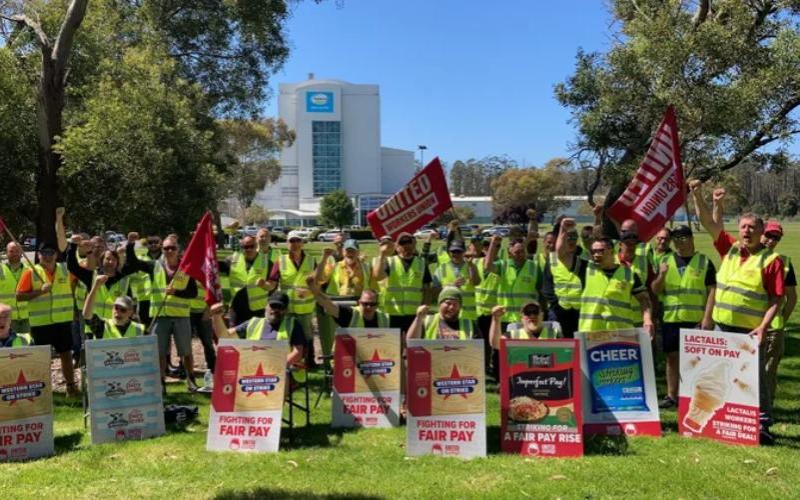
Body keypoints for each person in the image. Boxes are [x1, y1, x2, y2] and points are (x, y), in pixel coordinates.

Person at [689, 179, 783, 444]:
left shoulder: (770, 261)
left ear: (761, 231)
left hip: (750, 331)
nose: (747, 231)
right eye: (743, 227)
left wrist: (763, 327)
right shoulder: (729, 249)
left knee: (756, 379)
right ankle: (725, 420)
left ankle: (763, 425)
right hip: (722, 327)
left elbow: (777, 298)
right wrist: (697, 194)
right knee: (720, 375)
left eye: (752, 227)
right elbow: (708, 222)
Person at [650, 225, 716, 409]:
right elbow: (655, 290)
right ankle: (672, 396)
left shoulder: (704, 261)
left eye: (683, 237)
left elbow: (713, 290)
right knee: (672, 358)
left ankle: (694, 395)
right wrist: (661, 275)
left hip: (695, 319)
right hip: (672, 318)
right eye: (676, 238)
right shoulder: (666, 260)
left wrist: (708, 317)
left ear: (691, 238)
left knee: (696, 360)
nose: (679, 241)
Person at [125, 232, 200, 391]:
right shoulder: (154, 266)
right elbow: (133, 262)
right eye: (166, 248)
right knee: (159, 352)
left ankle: (191, 380)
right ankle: (160, 383)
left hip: (180, 316)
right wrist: (130, 244)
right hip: (160, 316)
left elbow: (193, 293)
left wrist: (176, 292)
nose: (169, 251)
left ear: (178, 249)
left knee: (186, 351)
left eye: (172, 248)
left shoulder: (185, 268)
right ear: (162, 249)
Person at [16, 240, 79, 396]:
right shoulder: (31, 272)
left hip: (62, 321)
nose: (47, 256)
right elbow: (19, 296)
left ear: (56, 255)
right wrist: (40, 292)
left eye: (51, 253)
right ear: (39, 255)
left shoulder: (65, 270)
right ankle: (42, 391)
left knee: (66, 354)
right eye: (44, 253)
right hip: (41, 323)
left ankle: (71, 387)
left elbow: (75, 284)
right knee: (43, 358)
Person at [209, 291, 305, 371]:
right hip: (254, 370)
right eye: (273, 306)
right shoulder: (253, 323)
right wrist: (216, 316)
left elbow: (298, 353)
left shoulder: (293, 324)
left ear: (286, 310)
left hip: (282, 370)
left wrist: (277, 366)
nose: (275, 310)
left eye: (280, 307)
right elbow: (224, 337)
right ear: (266, 306)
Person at [578, 237, 654, 337]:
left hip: (621, 334)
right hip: (591, 334)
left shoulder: (628, 274)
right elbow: (563, 256)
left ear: (611, 251)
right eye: (593, 251)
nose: (596, 254)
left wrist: (647, 319)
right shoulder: (586, 269)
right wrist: (563, 229)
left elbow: (644, 299)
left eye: (600, 251)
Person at [314, 240, 373, 362]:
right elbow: (319, 279)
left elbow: (373, 287)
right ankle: (335, 365)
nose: (350, 254)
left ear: (358, 252)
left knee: (358, 337)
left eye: (353, 251)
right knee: (338, 337)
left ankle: (359, 362)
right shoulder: (334, 266)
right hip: (338, 305)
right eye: (347, 251)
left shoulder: (366, 267)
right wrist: (324, 258)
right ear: (342, 252)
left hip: (358, 306)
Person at [759, 219, 797, 407]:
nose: (771, 241)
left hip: (773, 328)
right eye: (768, 235)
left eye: (776, 238)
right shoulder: (745, 258)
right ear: (760, 233)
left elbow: (792, 298)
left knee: (768, 371)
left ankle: (766, 411)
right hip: (746, 324)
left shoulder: (785, 262)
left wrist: (782, 319)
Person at [267, 233, 317, 366]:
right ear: (287, 243)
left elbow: (318, 283)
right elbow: (272, 281)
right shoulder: (281, 261)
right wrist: (265, 285)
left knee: (307, 335)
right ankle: (289, 361)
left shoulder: (311, 261)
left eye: (297, 240)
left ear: (302, 243)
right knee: (286, 334)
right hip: (286, 308)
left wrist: (308, 291)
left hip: (305, 307)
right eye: (291, 241)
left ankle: (309, 361)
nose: (294, 243)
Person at [372, 232, 432, 334]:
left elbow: (427, 288)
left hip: (415, 313)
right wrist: (382, 254)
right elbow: (377, 277)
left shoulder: (421, 262)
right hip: (393, 313)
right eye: (403, 243)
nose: (406, 246)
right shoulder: (390, 261)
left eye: (409, 242)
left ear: (414, 245)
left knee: (414, 346)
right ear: (397, 246)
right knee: (394, 346)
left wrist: (425, 306)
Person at [485, 233, 542, 327]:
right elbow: (487, 267)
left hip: (527, 318)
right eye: (517, 252)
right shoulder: (503, 266)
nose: (520, 255)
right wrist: (493, 244)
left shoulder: (534, 267)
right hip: (505, 318)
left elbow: (540, 291)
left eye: (522, 251)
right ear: (509, 253)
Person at [542, 218, 587, 339]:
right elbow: (547, 287)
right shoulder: (552, 260)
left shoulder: (584, 259)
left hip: (580, 311)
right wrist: (557, 304)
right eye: (568, 237)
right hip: (558, 312)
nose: (571, 241)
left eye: (574, 238)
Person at [219, 233, 275, 326]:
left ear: (256, 246)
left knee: (256, 337)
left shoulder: (266, 262)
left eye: (251, 246)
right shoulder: (232, 260)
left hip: (258, 309)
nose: (249, 249)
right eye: (245, 247)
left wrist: (265, 285)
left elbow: (273, 285)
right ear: (241, 247)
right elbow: (214, 267)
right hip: (236, 308)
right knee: (235, 336)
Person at [307, 275, 389, 328]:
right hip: (350, 354)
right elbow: (328, 305)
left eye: (372, 304)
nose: (368, 307)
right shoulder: (350, 314)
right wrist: (316, 292)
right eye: (365, 304)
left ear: (377, 305)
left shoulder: (385, 318)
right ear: (359, 302)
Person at [431, 239, 479, 325]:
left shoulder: (471, 266)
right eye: (453, 252)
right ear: (449, 252)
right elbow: (434, 291)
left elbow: (476, 282)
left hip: (468, 316)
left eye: (458, 251)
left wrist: (471, 265)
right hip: (448, 315)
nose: (456, 254)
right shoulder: (442, 268)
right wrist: (451, 286)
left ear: (464, 252)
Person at [407, 287, 474, 340]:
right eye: (448, 303)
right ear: (439, 304)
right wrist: (418, 318)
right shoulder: (427, 321)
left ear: (460, 307)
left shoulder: (469, 325)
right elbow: (411, 342)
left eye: (455, 304)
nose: (451, 307)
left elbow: (478, 351)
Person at [489, 301, 562, 349]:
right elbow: (496, 344)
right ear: (521, 317)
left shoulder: (555, 334)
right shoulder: (512, 335)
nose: (532, 316)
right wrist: (496, 319)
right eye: (528, 312)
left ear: (542, 315)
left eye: (535, 312)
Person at [1, 242, 29, 334]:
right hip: (6, 320)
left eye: (17, 251)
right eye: (11, 251)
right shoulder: (1, 270)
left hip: (27, 319)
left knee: (28, 347)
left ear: (21, 252)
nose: (14, 253)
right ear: (6, 253)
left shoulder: (30, 270)